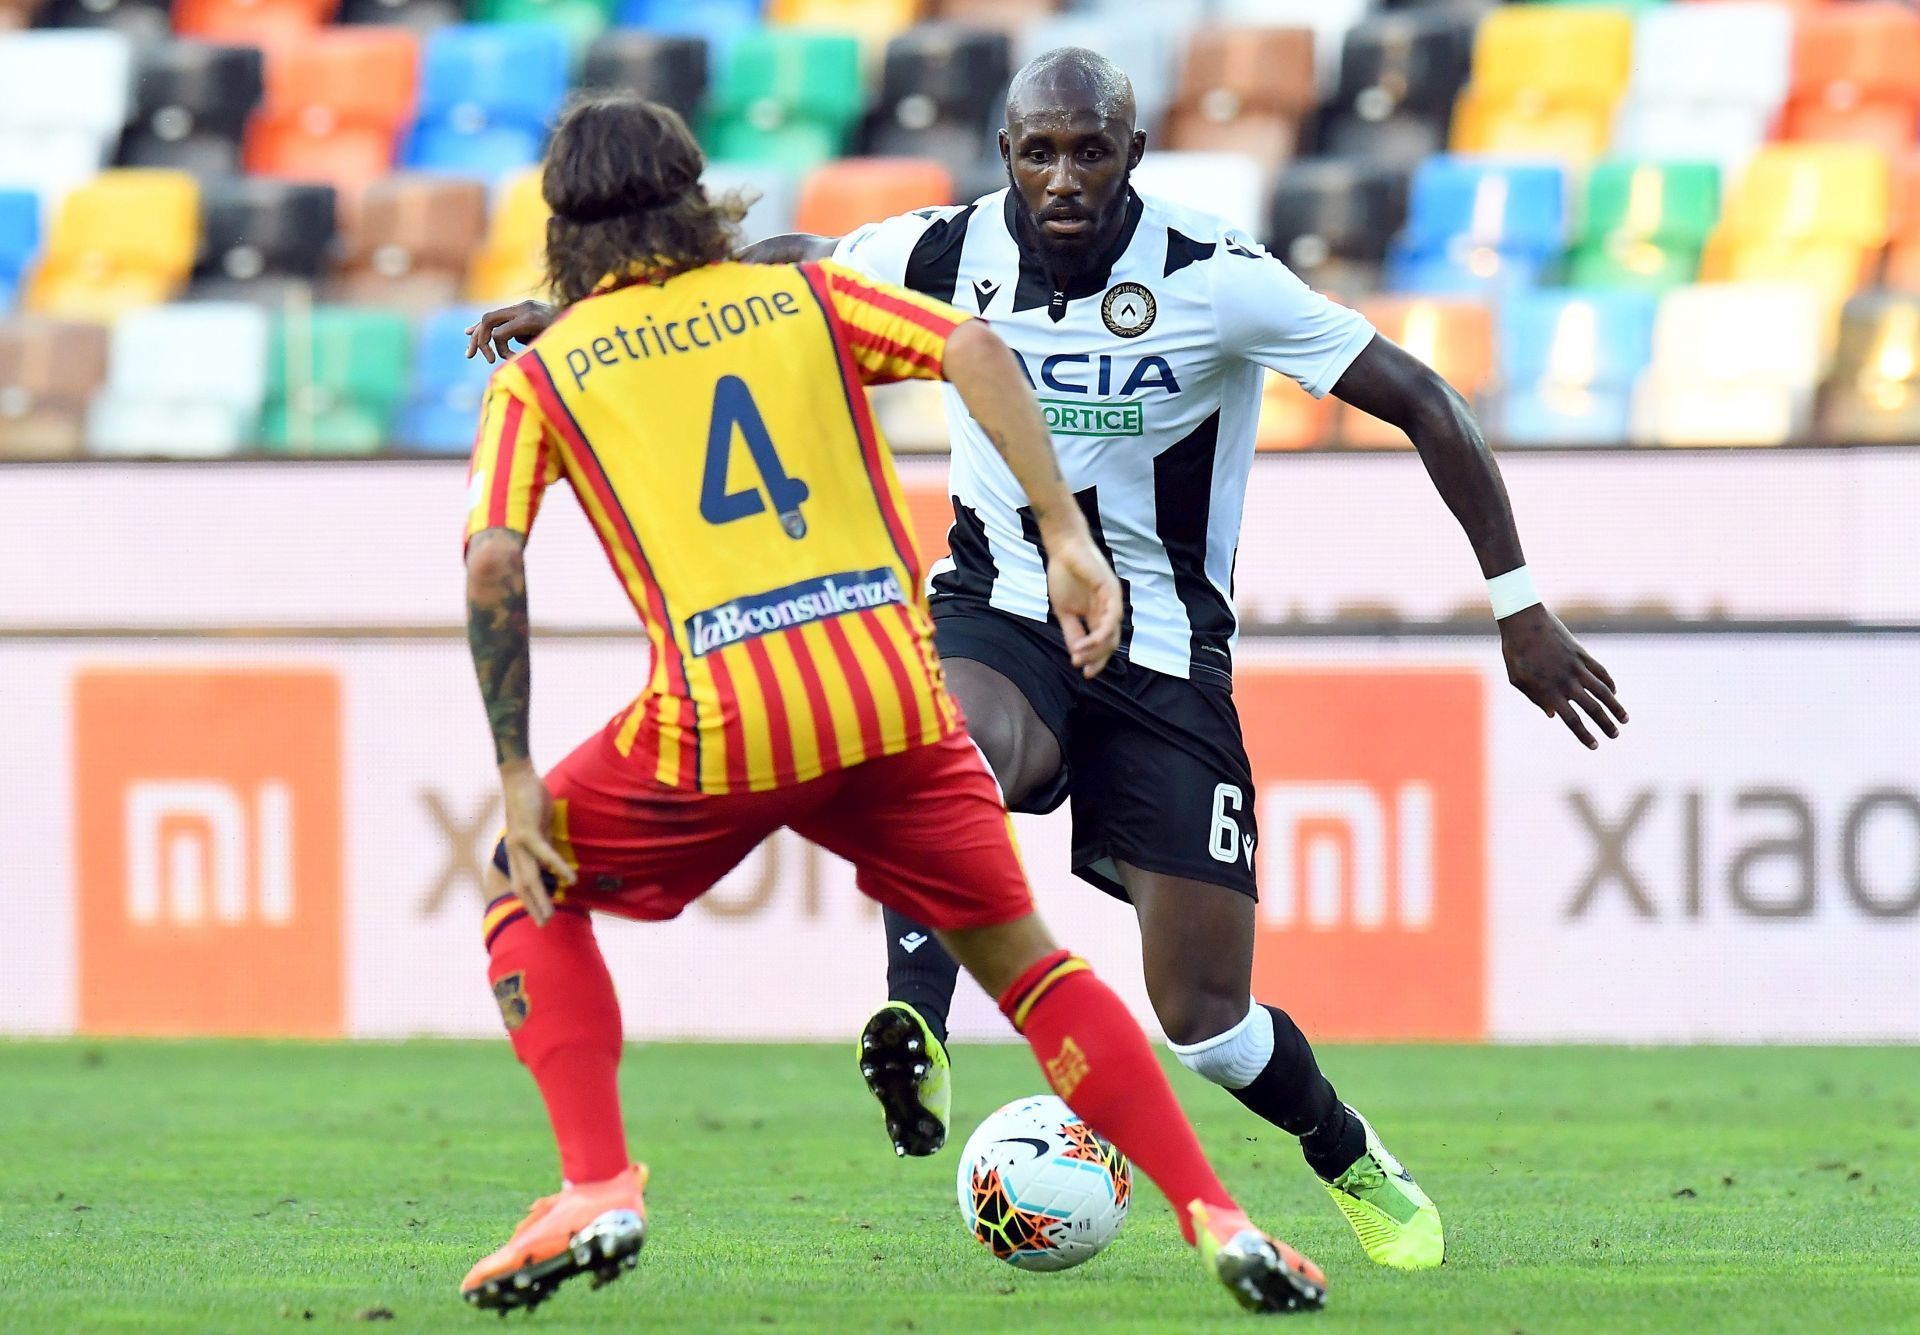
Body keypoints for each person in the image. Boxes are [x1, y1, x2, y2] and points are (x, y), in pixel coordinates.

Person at [468, 50, 1629, 1278]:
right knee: (942, 739)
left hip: (1168, 649)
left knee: (1206, 1018)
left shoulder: (1217, 275)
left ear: (1134, 154)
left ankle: (1344, 1155)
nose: (1063, 175)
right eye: (1038, 151)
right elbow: (765, 278)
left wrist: (1519, 606)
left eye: (1090, 150)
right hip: (1000, 610)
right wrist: (597, 312)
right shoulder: (938, 251)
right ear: (1005, 154)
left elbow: (1424, 399)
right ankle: (917, 1009)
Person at [456, 93, 1328, 1316]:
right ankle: (1216, 1212)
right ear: (697, 189)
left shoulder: (546, 374)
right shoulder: (804, 299)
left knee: (520, 877)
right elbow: (974, 350)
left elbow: (495, 560)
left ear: (561, 228)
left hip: (723, 708)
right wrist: (1068, 539)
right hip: (891, 699)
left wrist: (514, 766)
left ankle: (598, 1181)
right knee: (1028, 970)